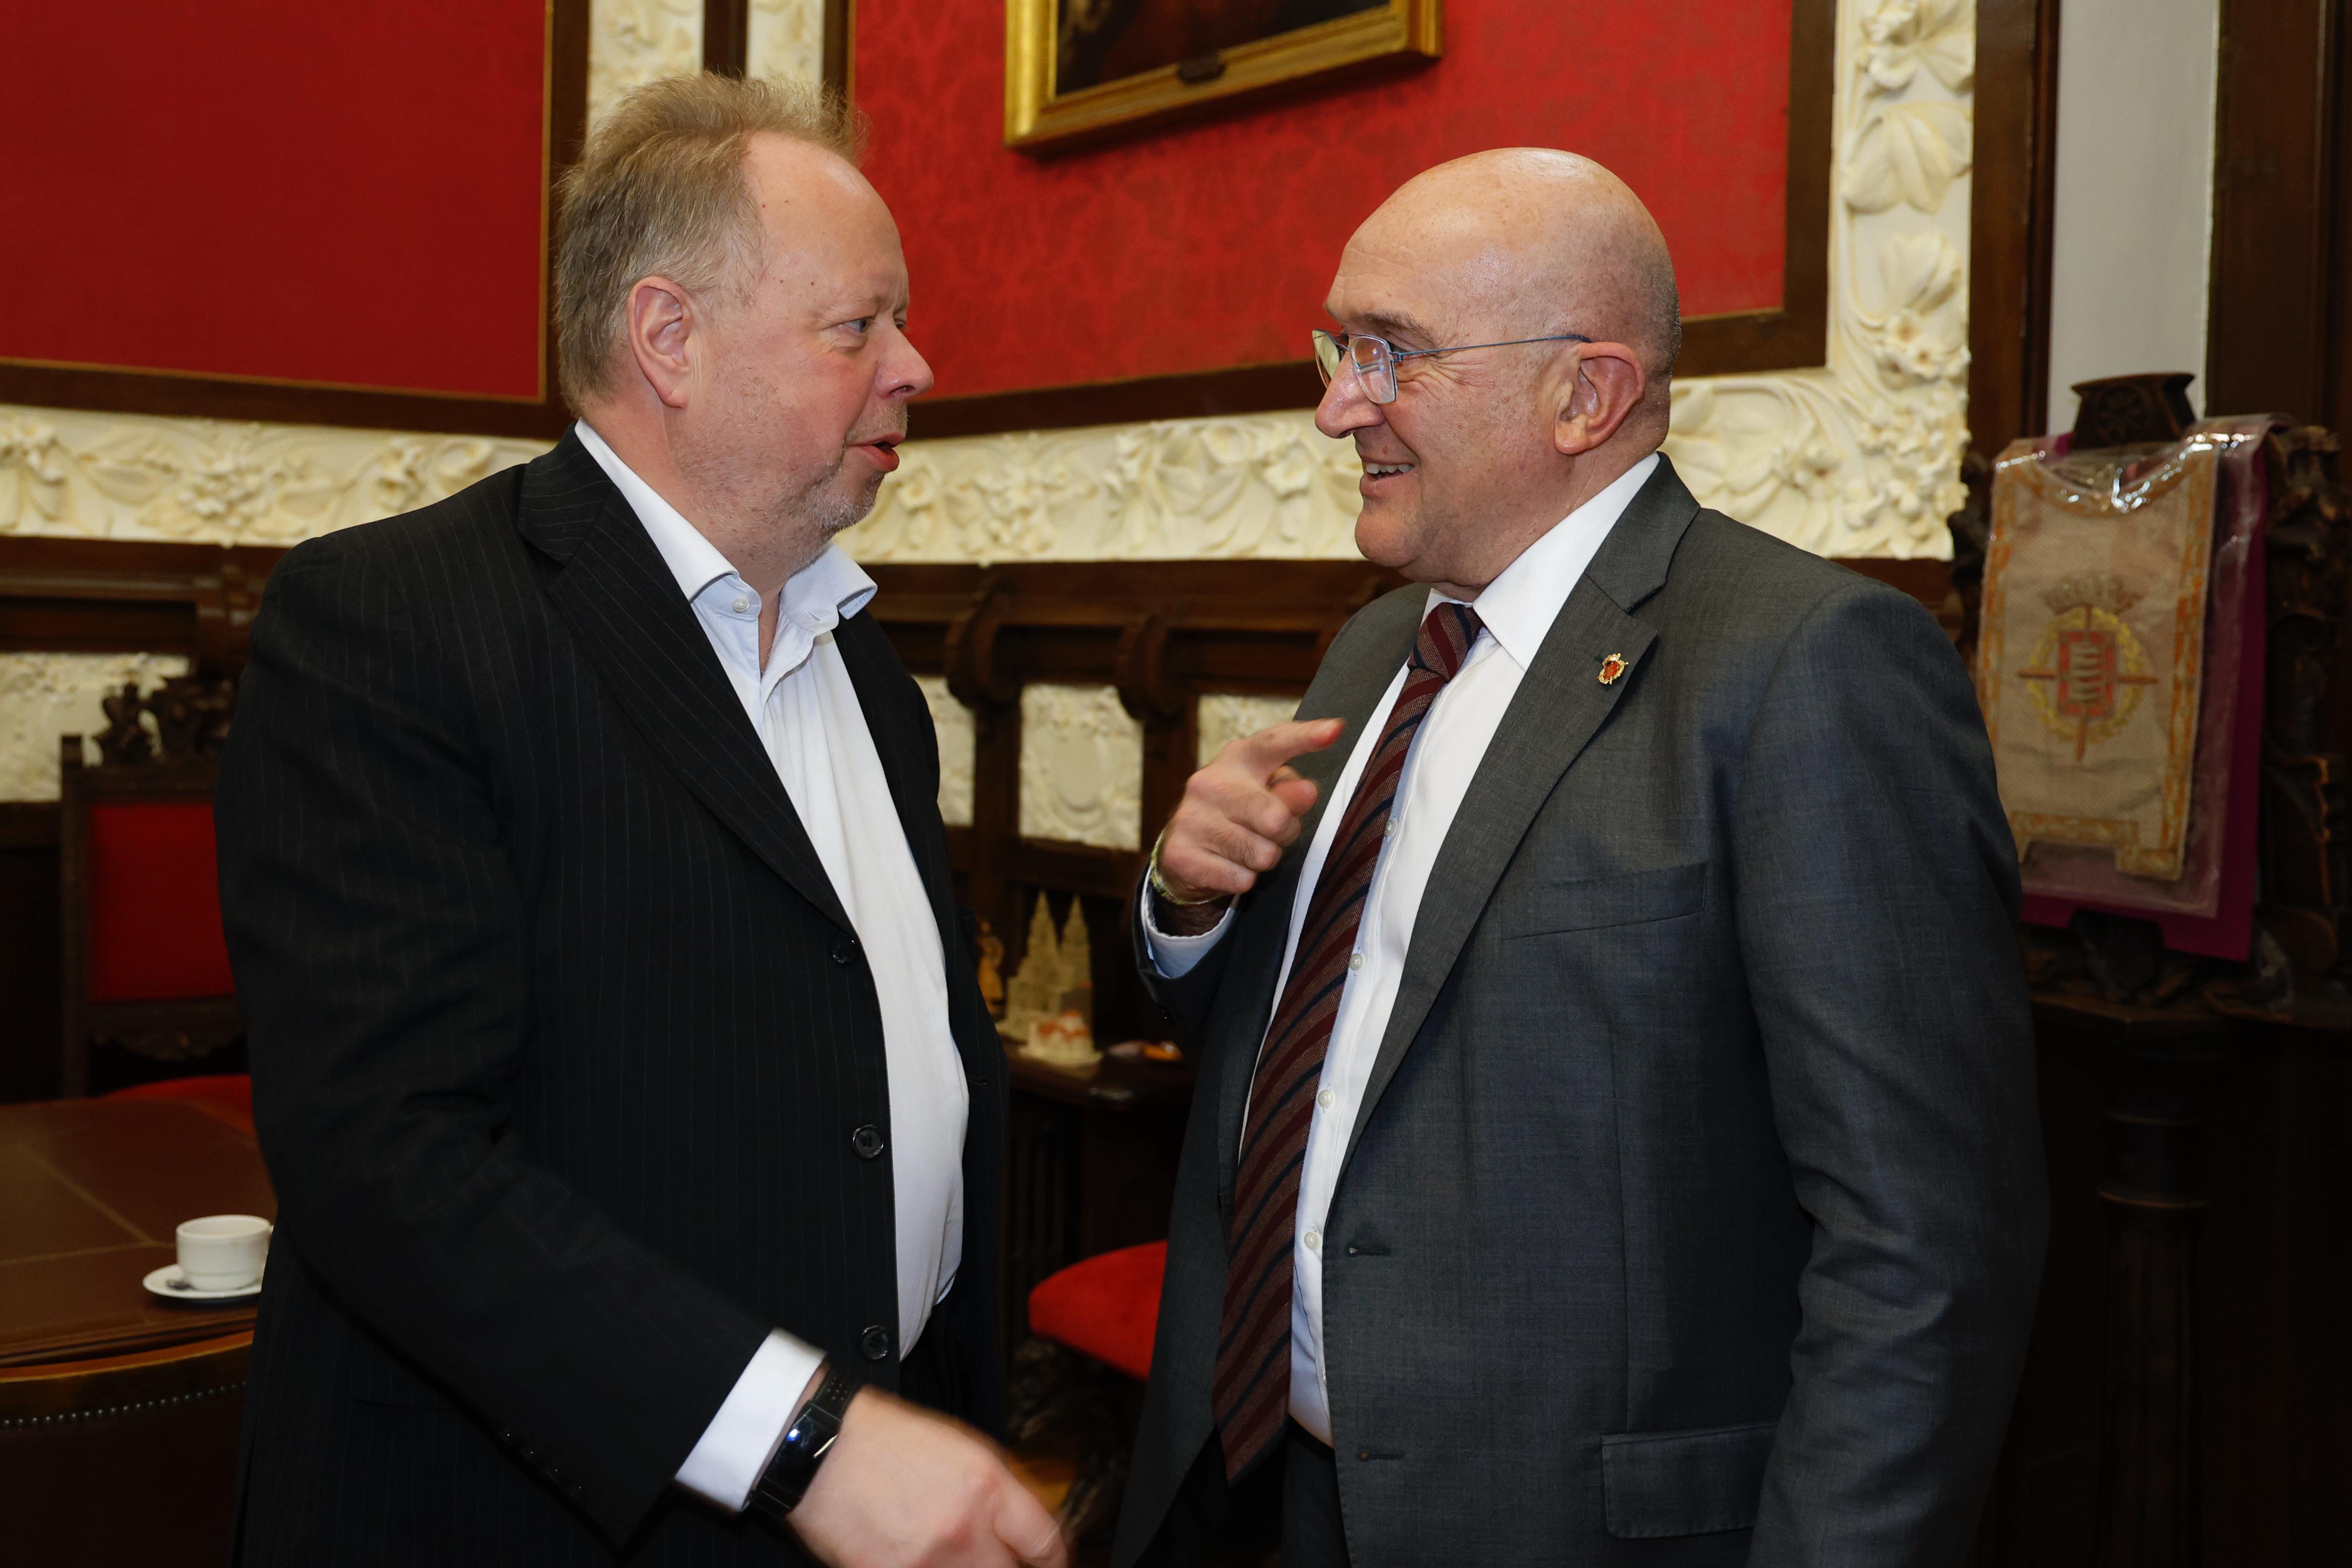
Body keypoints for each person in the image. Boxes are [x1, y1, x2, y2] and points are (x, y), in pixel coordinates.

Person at [1113, 149, 2048, 1566]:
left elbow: (1919, 1252)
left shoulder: (1806, 669)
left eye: (1390, 355)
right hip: (1262, 1492)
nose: (1333, 404)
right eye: (1337, 346)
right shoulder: (1380, 646)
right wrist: (1190, 905)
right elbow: (1326, 1057)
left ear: (1584, 393)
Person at [215, 74, 1065, 1568]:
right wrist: (803, 1434)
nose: (917, 365)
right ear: (669, 338)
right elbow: (387, 1161)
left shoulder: (866, 665)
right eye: (857, 324)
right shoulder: (394, 621)